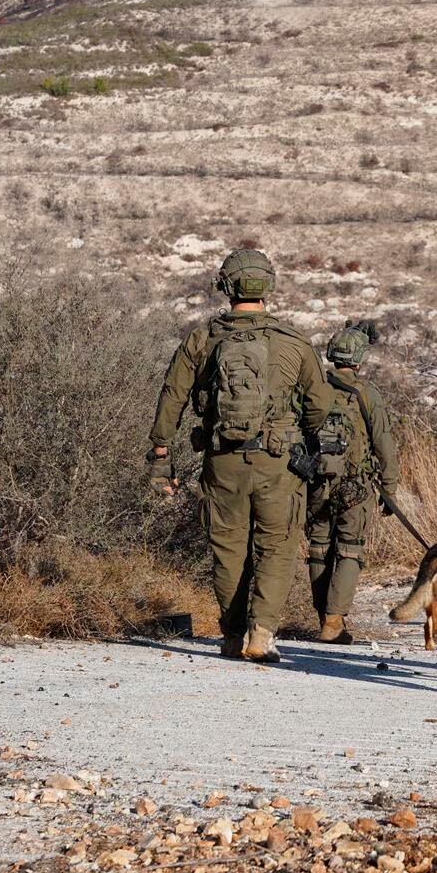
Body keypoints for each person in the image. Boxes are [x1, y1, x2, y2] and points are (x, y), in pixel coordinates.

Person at [147, 248, 333, 664]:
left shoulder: (202, 339)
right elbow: (320, 406)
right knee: (277, 547)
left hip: (222, 462)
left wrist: (161, 453)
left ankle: (232, 636)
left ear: (226, 286)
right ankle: (261, 634)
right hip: (279, 463)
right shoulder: (293, 341)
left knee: (228, 549)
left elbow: (173, 396)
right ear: (269, 285)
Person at [305, 321, 401, 645]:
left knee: (318, 549)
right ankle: (333, 622)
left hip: (317, 482)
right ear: (359, 359)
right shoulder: (367, 394)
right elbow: (384, 444)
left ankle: (323, 618)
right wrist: (389, 488)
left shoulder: (314, 389)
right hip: (355, 486)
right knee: (349, 549)